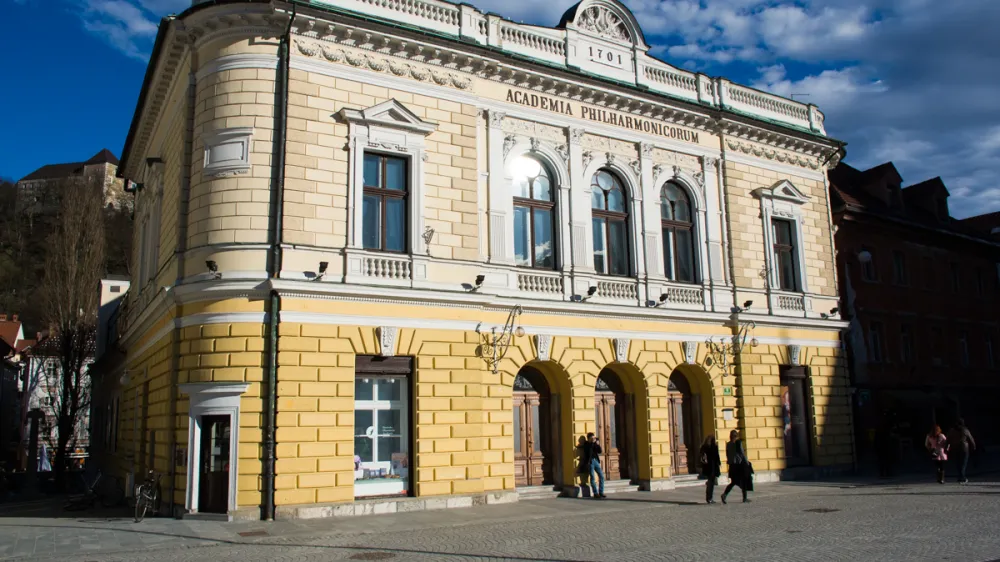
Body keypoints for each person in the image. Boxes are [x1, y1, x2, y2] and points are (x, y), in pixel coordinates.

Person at [721, 430, 751, 504]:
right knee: (743, 481)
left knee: (733, 482)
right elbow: (742, 453)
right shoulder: (738, 443)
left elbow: (727, 454)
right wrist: (747, 462)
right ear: (736, 436)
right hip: (739, 465)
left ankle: (724, 495)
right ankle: (744, 498)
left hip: (732, 465)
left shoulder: (728, 444)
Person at [948, 419, 976, 484]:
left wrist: (946, 447)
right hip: (964, 449)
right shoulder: (965, 430)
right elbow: (971, 439)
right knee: (963, 463)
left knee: (958, 463)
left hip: (954, 448)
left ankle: (960, 476)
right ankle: (962, 477)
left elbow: (948, 440)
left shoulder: (951, 431)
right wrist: (974, 446)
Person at [580, 432, 605, 499]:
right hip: (590, 462)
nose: (593, 439)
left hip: (596, 461)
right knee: (592, 477)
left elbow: (599, 451)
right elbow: (589, 452)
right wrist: (592, 443)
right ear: (588, 438)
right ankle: (595, 493)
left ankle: (601, 492)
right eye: (592, 438)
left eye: (594, 437)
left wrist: (597, 444)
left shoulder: (594, 444)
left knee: (601, 476)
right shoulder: (586, 444)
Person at [700, 435, 722, 504]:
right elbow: (716, 456)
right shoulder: (714, 447)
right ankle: (709, 498)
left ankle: (708, 497)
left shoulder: (704, 447)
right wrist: (719, 463)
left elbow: (701, 454)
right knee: (711, 483)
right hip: (713, 467)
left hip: (706, 467)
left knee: (710, 482)